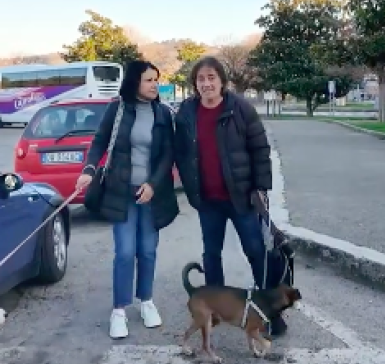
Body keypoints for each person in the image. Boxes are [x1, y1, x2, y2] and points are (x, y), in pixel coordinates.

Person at [173, 56, 287, 336]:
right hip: (207, 200)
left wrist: (261, 188)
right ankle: (216, 309)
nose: (206, 83)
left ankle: (268, 312)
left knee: (256, 252)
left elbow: (260, 149)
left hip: (242, 198)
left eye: (212, 77)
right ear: (195, 84)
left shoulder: (241, 109)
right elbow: (180, 152)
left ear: (222, 81)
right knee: (212, 255)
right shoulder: (186, 113)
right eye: (201, 79)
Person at [76, 60, 179, 339]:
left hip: (151, 194)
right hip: (121, 191)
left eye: (156, 80)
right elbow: (99, 141)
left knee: (147, 250)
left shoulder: (162, 113)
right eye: (148, 80)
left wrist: (153, 184)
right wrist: (88, 170)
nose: (155, 85)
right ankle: (119, 309)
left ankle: (146, 301)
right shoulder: (117, 109)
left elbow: (168, 153)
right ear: (135, 82)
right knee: (124, 252)